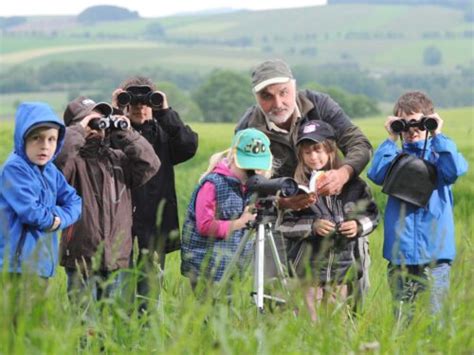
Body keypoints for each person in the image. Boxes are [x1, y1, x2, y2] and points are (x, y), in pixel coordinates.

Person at [236, 58, 373, 279]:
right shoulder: (248, 127)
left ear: (294, 87)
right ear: (256, 97)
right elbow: (245, 184)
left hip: (336, 211)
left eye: (283, 92)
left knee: (346, 294)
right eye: (267, 97)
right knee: (275, 293)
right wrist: (282, 203)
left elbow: (359, 143)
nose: (278, 103)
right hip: (280, 221)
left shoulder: (319, 105)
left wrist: (342, 174)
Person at [367, 91, 468, 318]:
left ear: (430, 120)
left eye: (419, 124)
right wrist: (391, 139)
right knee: (403, 322)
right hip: (400, 255)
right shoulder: (395, 156)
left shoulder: (439, 155)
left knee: (435, 320)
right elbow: (375, 174)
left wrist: (437, 134)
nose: (412, 131)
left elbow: (455, 170)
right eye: (405, 125)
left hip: (435, 256)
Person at [55, 96, 160, 304]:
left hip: (116, 256)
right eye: (90, 122)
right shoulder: (72, 163)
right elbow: (56, 164)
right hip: (81, 256)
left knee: (110, 322)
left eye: (100, 121)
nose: (96, 127)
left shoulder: (117, 159)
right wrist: (78, 132)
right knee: (85, 321)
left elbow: (150, 164)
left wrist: (126, 133)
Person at [112, 76, 198, 312]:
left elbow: (188, 146)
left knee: (149, 293)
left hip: (154, 223)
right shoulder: (115, 135)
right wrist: (115, 111)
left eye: (146, 101)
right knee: (120, 289)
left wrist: (165, 112)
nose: (139, 107)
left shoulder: (163, 134)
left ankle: (146, 337)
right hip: (121, 223)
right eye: (133, 102)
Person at [279, 120, 379, 322]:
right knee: (309, 324)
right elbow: (285, 225)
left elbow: (373, 216)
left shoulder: (354, 185)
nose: (313, 157)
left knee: (338, 323)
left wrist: (358, 226)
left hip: (341, 271)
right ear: (301, 156)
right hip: (306, 272)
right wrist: (312, 226)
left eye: (318, 150)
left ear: (331, 150)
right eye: (307, 152)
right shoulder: (296, 188)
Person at [180, 128, 273, 289]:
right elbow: (205, 226)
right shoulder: (213, 184)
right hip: (205, 267)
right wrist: (241, 222)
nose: (252, 173)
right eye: (247, 167)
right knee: (208, 312)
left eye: (258, 169)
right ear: (232, 158)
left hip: (233, 265)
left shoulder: (251, 188)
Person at [0, 102, 82, 280]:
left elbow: (75, 201)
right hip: (16, 266)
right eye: (37, 138)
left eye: (51, 139)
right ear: (23, 138)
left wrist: (57, 220)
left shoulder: (50, 170)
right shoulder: (14, 169)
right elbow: (33, 213)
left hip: (42, 264)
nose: (45, 145)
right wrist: (54, 218)